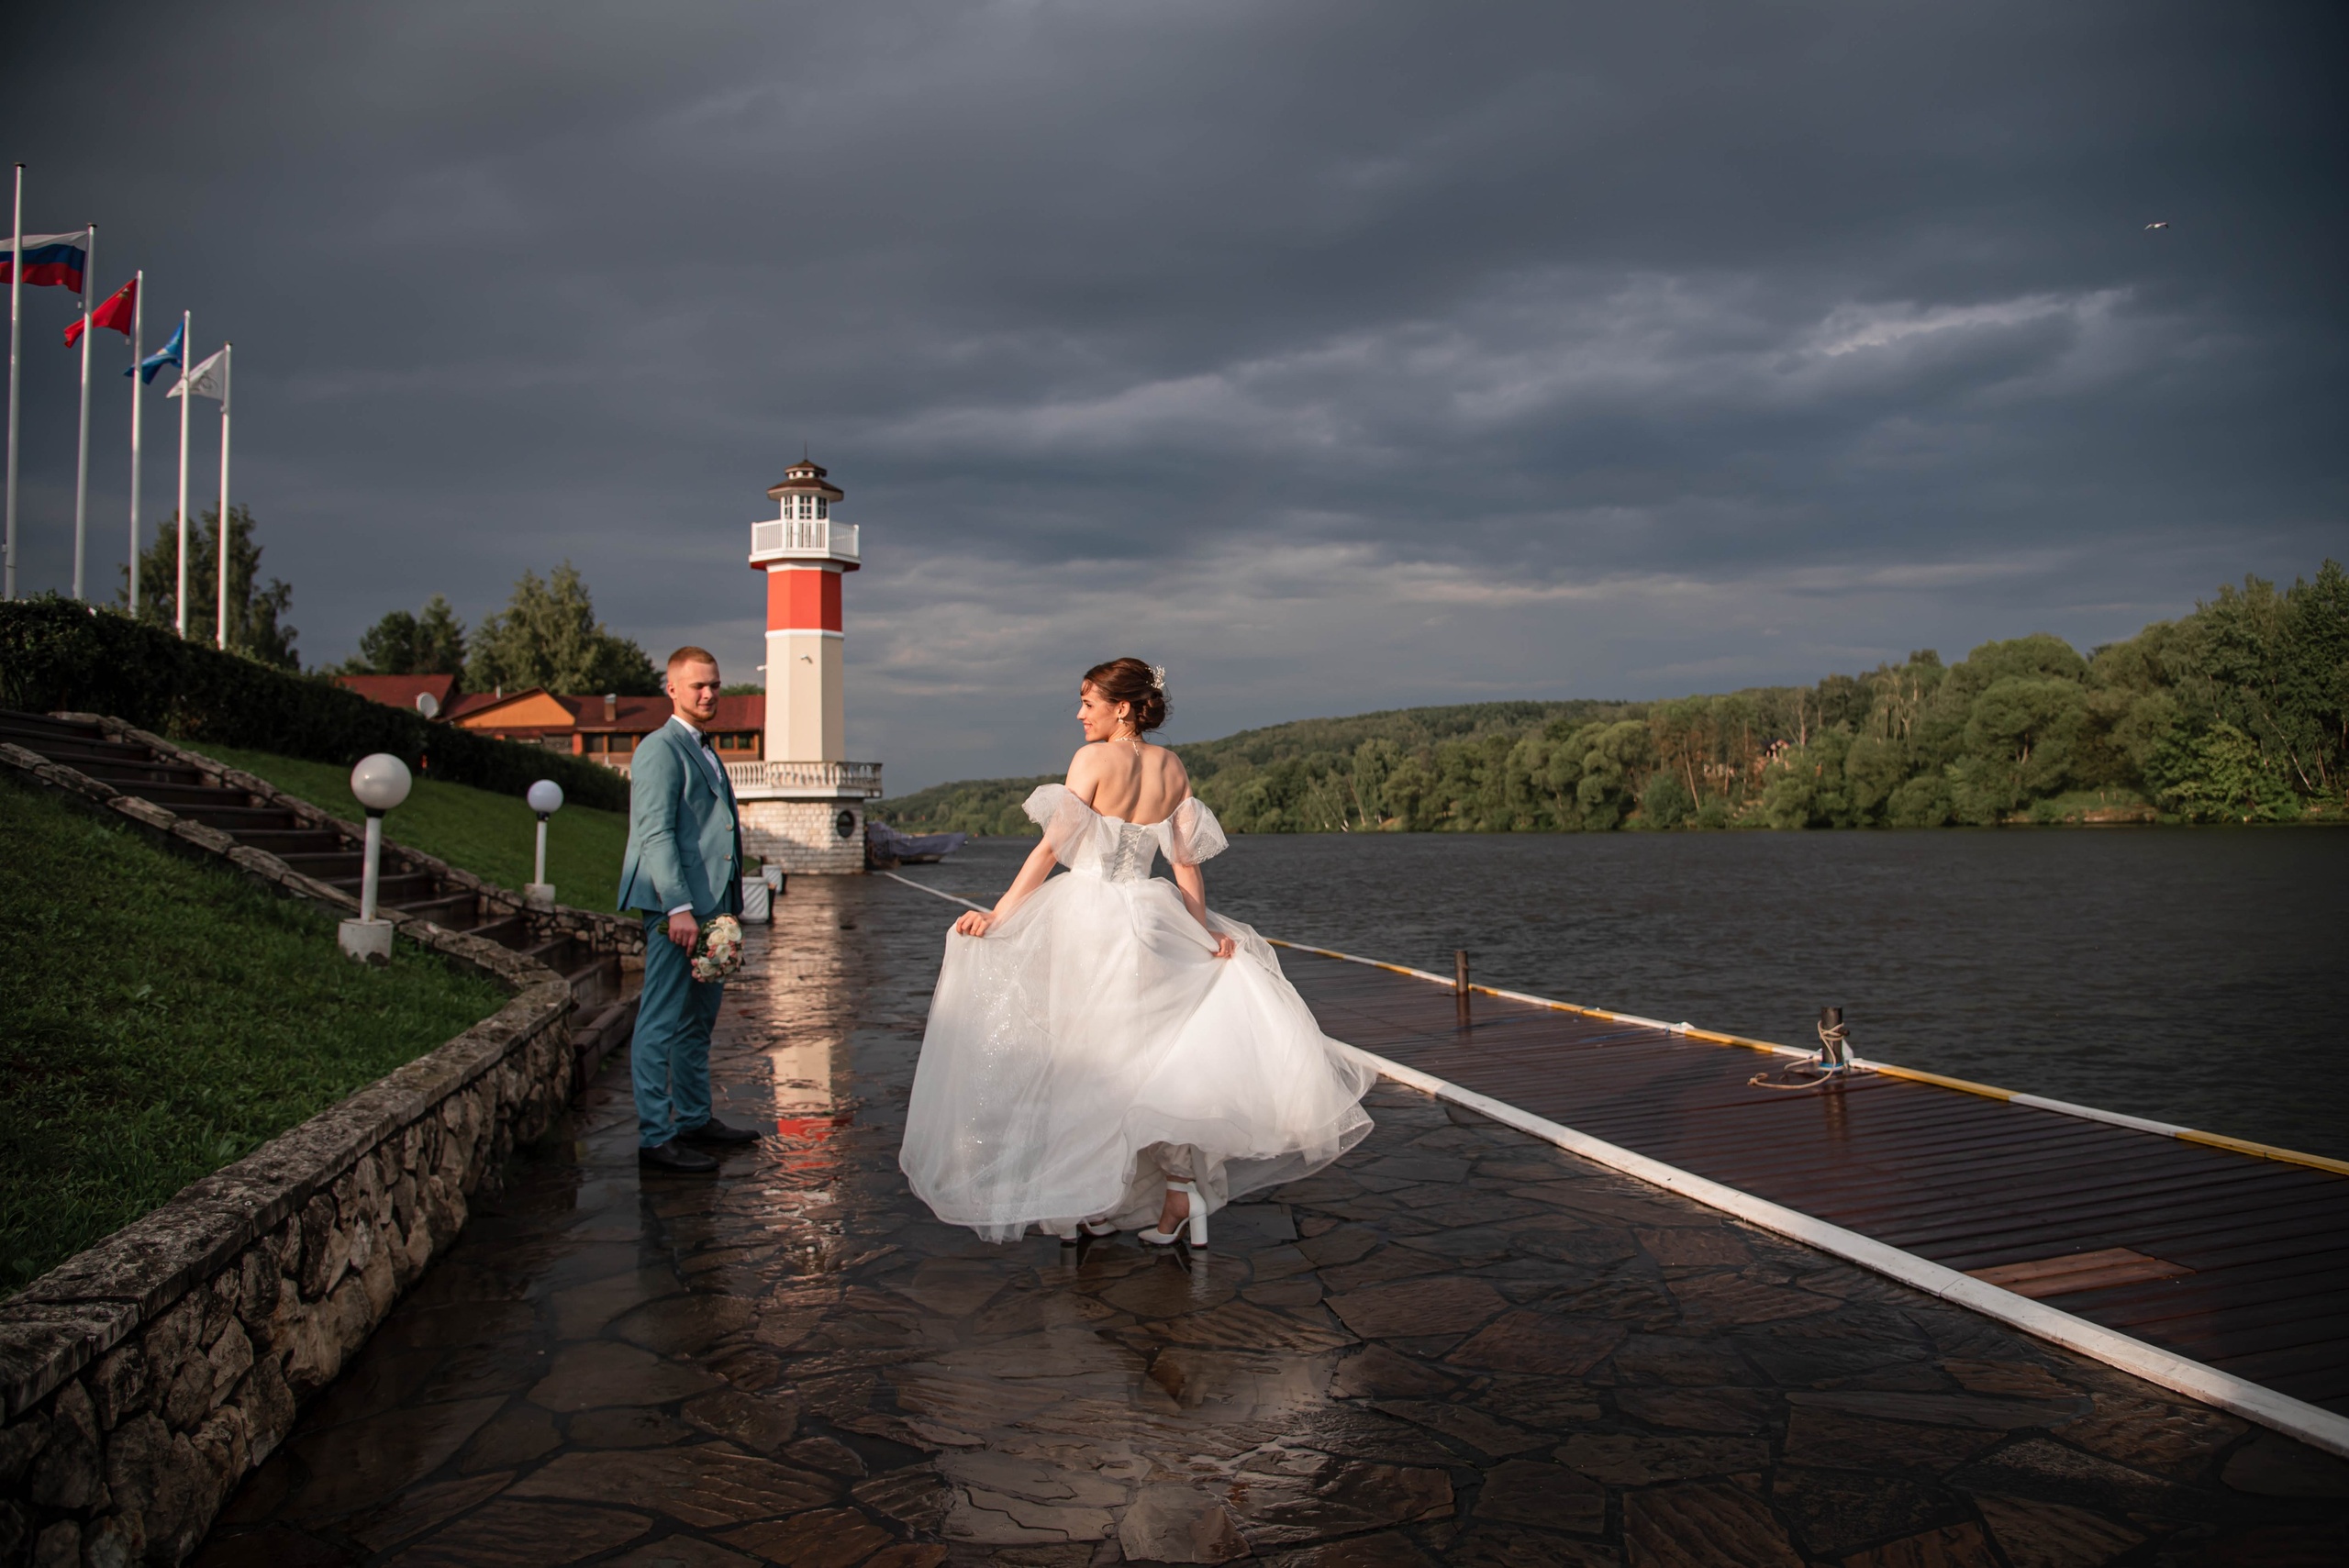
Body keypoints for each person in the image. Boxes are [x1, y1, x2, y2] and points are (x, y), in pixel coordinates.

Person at [900, 657, 1376, 1245]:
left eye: (1088, 702)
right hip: (1154, 920)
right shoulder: (1172, 766)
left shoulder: (1092, 760)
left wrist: (999, 915)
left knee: (1088, 1061)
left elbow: (1050, 852)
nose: (1079, 714)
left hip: (1089, 920)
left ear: (1121, 707)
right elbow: (1184, 866)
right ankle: (1176, 1195)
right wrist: (1202, 937)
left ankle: (1090, 1195)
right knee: (1156, 1060)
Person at [617, 646, 763, 1173]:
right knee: (659, 1021)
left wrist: (728, 906)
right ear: (672, 688)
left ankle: (694, 1119)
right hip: (673, 910)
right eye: (698, 685)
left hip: (710, 909)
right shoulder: (660, 749)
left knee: (698, 1022)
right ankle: (657, 1137)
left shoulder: (706, 749)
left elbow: (717, 830)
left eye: (716, 685)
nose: (709, 694)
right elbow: (654, 833)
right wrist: (678, 907)